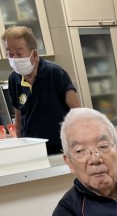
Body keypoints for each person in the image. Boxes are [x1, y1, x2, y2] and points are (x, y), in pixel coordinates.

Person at [3, 26, 81, 155]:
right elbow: (18, 116)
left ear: (34, 54)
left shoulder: (55, 72)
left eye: (19, 53)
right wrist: (20, 143)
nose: (14, 58)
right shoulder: (14, 79)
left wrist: (79, 143)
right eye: (10, 54)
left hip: (60, 147)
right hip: (32, 148)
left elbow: (77, 111)